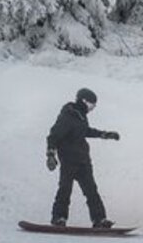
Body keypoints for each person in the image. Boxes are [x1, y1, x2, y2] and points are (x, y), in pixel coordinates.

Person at [45, 87, 120, 228]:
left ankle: (99, 220)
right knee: (65, 189)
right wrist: (50, 154)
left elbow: (85, 131)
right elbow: (53, 136)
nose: (92, 108)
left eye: (94, 106)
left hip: (83, 160)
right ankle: (58, 218)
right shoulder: (67, 116)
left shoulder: (81, 116)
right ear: (83, 101)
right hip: (68, 160)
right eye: (91, 105)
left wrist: (105, 134)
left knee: (91, 191)